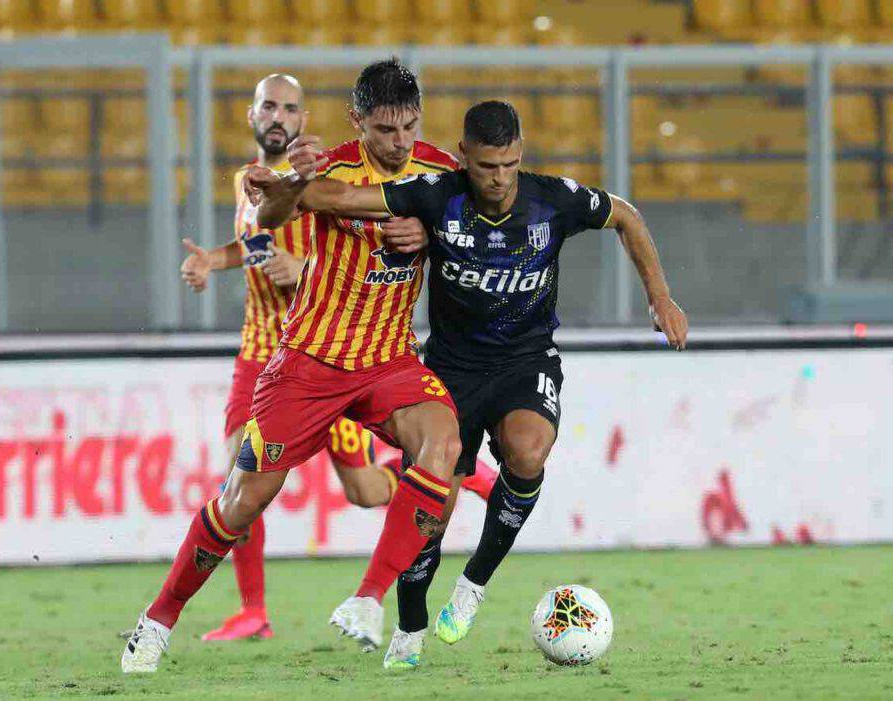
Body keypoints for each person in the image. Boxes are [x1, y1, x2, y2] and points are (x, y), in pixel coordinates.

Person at [247, 99, 689, 669]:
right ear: (464, 158)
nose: (499, 179)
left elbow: (626, 215)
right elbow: (338, 197)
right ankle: (409, 626)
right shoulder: (436, 194)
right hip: (448, 370)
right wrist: (283, 182)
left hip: (525, 361)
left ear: (520, 157)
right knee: (431, 510)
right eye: (485, 167)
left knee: (528, 452)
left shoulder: (551, 199)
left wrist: (660, 297)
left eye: (508, 165)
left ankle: (474, 583)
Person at [121, 59, 484, 674]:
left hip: (389, 359)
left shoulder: (440, 172)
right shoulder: (328, 165)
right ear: (356, 120)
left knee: (441, 442)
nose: (399, 143)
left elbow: (474, 229)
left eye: (408, 127)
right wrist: (294, 182)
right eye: (384, 129)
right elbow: (269, 219)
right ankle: (156, 621)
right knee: (242, 500)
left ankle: (368, 599)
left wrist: (432, 235)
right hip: (308, 364)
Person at [177, 73, 407, 643]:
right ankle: (253, 611)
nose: (279, 116)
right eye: (269, 106)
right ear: (252, 115)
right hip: (260, 351)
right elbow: (260, 245)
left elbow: (366, 254)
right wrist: (213, 259)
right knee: (240, 470)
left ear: (304, 120)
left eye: (290, 108)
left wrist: (302, 270)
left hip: (324, 354)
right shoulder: (246, 180)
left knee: (366, 491)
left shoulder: (320, 179)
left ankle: (443, 470)